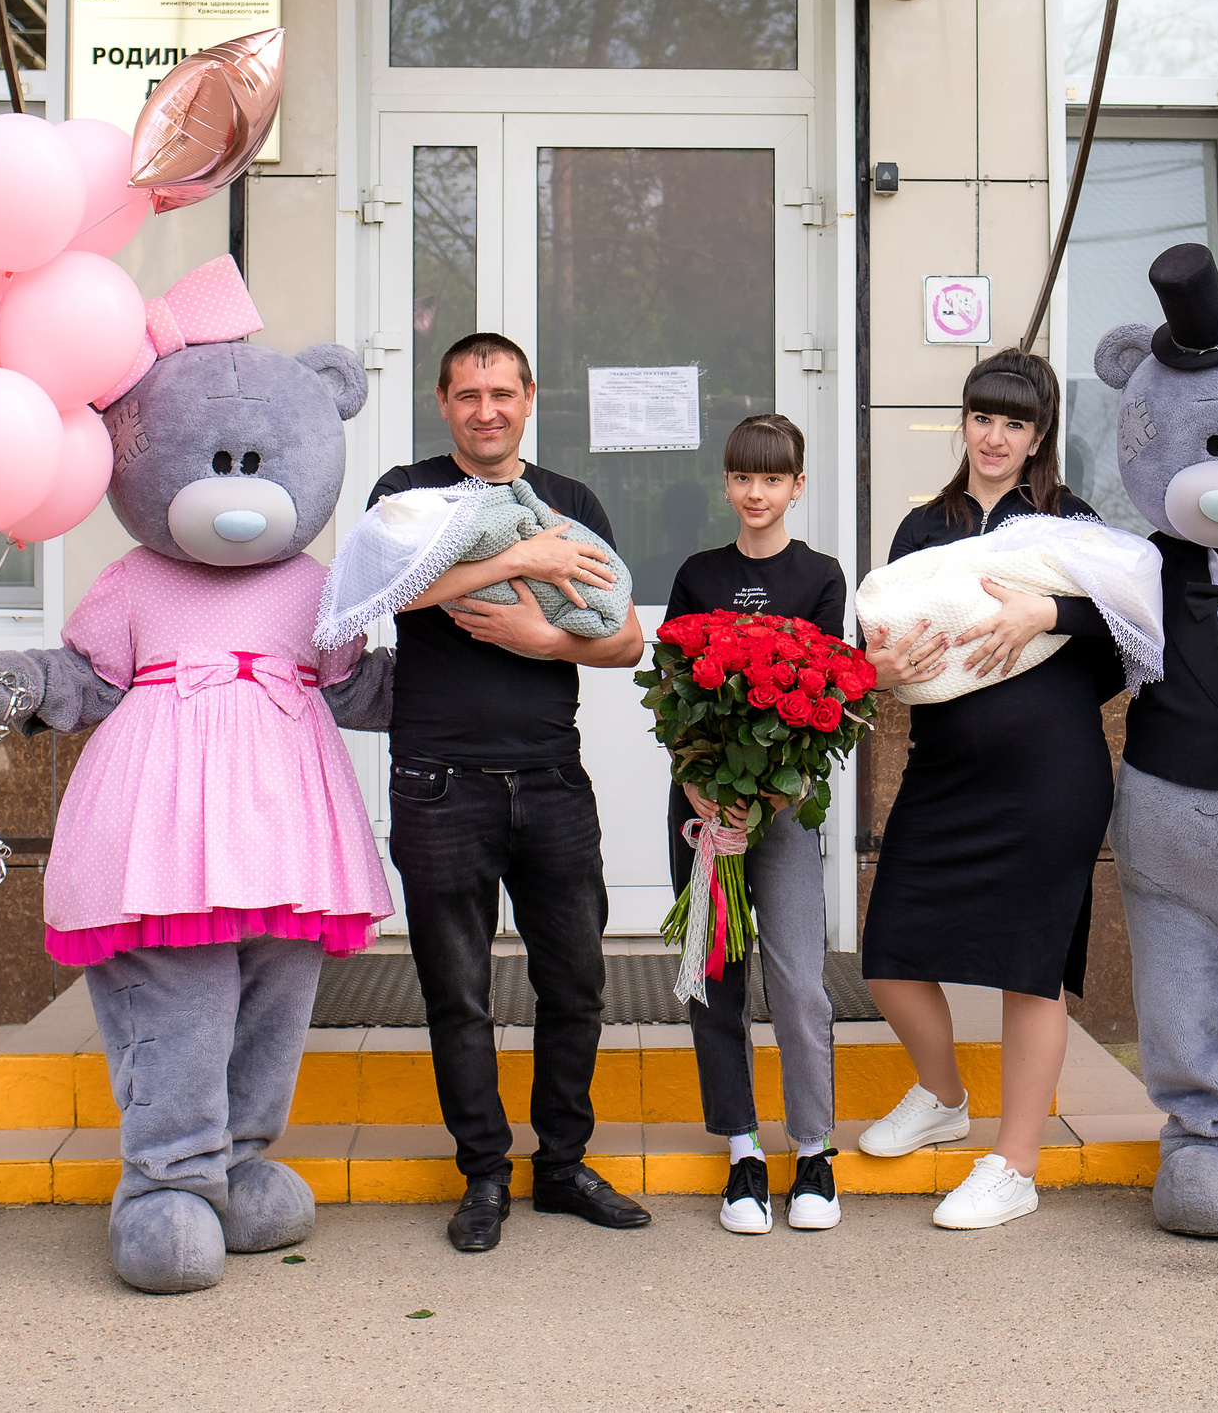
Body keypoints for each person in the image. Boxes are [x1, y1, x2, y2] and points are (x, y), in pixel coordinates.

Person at [370, 332, 652, 1252]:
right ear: (442, 403)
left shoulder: (571, 502)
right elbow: (394, 590)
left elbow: (626, 639)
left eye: (502, 391)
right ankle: (483, 1174)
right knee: (458, 992)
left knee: (575, 981)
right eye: (466, 394)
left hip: (550, 778)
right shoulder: (406, 494)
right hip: (437, 781)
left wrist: (546, 644)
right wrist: (502, 564)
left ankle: (562, 1165)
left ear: (530, 397)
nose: (485, 408)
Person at [856, 350, 1126, 1230]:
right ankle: (941, 1095)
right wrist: (881, 668)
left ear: (1040, 433)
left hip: (1051, 774)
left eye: (1015, 422)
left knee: (1029, 969)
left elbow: (1135, 625)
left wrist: (1046, 612)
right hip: (944, 767)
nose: (996, 435)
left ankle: (1014, 1162)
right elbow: (888, 642)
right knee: (890, 950)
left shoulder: (1070, 519)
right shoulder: (923, 524)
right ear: (963, 421)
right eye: (983, 416)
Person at [661, 415, 850, 1235]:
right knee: (718, 979)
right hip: (705, 814)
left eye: (772, 479)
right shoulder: (699, 573)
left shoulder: (822, 576)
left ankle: (813, 1149)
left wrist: (768, 797)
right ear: (727, 484)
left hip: (781, 812)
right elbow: (671, 697)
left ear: (797, 486)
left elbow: (834, 700)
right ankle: (741, 1149)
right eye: (743, 477)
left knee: (801, 983)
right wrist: (702, 791)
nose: (757, 492)